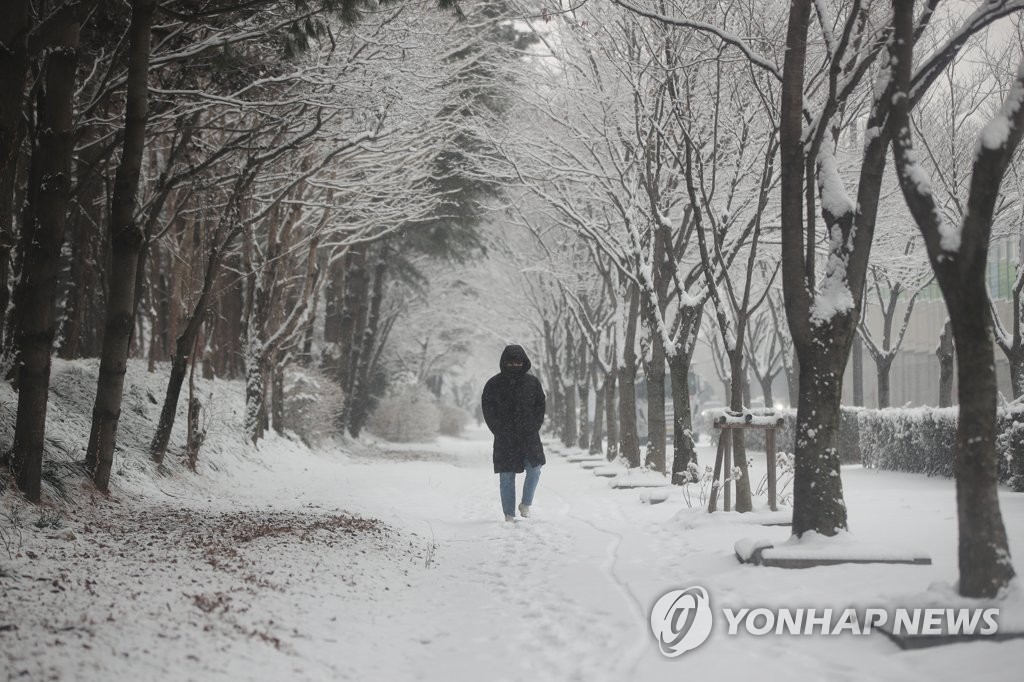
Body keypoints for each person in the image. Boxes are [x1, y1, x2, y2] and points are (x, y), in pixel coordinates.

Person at [481, 345, 546, 521]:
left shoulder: (532, 383)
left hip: (529, 436)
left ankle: (526, 504)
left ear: (523, 361)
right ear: (504, 362)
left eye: (518, 362)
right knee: (506, 476)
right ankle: (509, 515)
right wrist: (498, 430)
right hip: (505, 438)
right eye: (511, 362)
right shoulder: (494, 384)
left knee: (535, 469)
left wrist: (534, 425)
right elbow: (488, 409)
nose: (514, 365)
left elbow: (540, 406)